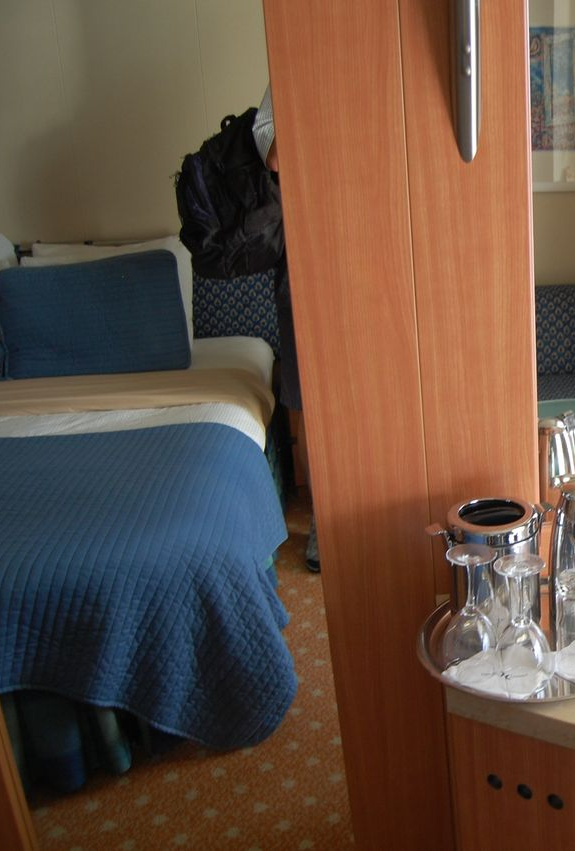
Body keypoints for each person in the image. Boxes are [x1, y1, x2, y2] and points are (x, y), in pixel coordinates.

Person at [254, 85, 320, 572]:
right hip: (301, 261)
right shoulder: (289, 76)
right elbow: (275, 157)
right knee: (309, 405)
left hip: (363, 248)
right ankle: (323, 518)